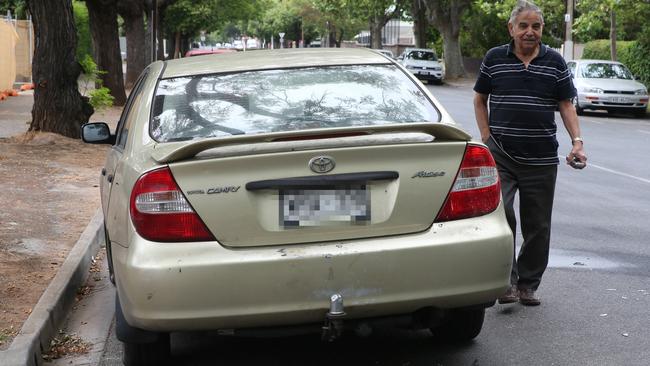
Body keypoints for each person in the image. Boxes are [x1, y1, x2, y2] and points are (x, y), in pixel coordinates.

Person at [473, 0, 587, 306]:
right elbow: (479, 98)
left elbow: (566, 104)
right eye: (523, 26)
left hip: (541, 159)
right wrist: (485, 137)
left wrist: (577, 140)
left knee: (538, 225)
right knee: (502, 214)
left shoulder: (554, 62)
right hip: (502, 154)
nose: (529, 32)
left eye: (535, 26)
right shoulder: (495, 58)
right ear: (511, 28)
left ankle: (527, 284)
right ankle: (506, 281)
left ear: (541, 30)